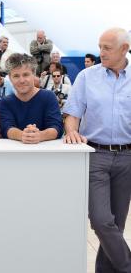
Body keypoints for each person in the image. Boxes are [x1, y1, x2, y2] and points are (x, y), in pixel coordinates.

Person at [63, 27, 131, 273]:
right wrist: (71, 130)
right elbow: (73, 113)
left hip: (127, 157)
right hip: (95, 154)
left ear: (125, 49)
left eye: (107, 48)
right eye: (100, 46)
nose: (101, 52)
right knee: (101, 221)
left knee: (117, 224)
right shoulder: (86, 76)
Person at [0, 53, 63, 144]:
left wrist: (40, 135)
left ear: (34, 74)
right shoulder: (5, 102)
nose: (21, 80)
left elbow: (57, 127)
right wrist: (23, 135)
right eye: (16, 76)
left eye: (25, 75)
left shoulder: (49, 97)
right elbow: (6, 128)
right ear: (10, 77)